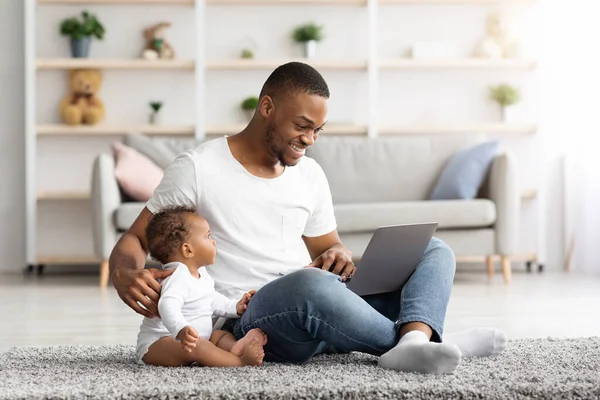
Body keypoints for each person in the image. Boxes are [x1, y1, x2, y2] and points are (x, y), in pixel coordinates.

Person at [110, 61, 507, 375]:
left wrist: (338, 254)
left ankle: (414, 341)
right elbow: (135, 240)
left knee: (432, 250)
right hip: (252, 321)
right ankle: (425, 338)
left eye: (317, 130)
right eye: (302, 126)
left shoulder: (310, 174)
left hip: (322, 307)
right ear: (267, 107)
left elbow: (328, 247)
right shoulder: (198, 167)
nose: (309, 140)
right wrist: (125, 274)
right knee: (308, 286)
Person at [136, 206, 268, 367]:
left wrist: (235, 307)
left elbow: (211, 300)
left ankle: (235, 348)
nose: (213, 241)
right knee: (198, 346)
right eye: (208, 236)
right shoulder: (177, 277)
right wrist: (181, 330)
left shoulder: (201, 274)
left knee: (219, 335)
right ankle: (239, 361)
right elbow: (167, 305)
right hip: (158, 344)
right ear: (188, 250)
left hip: (195, 339)